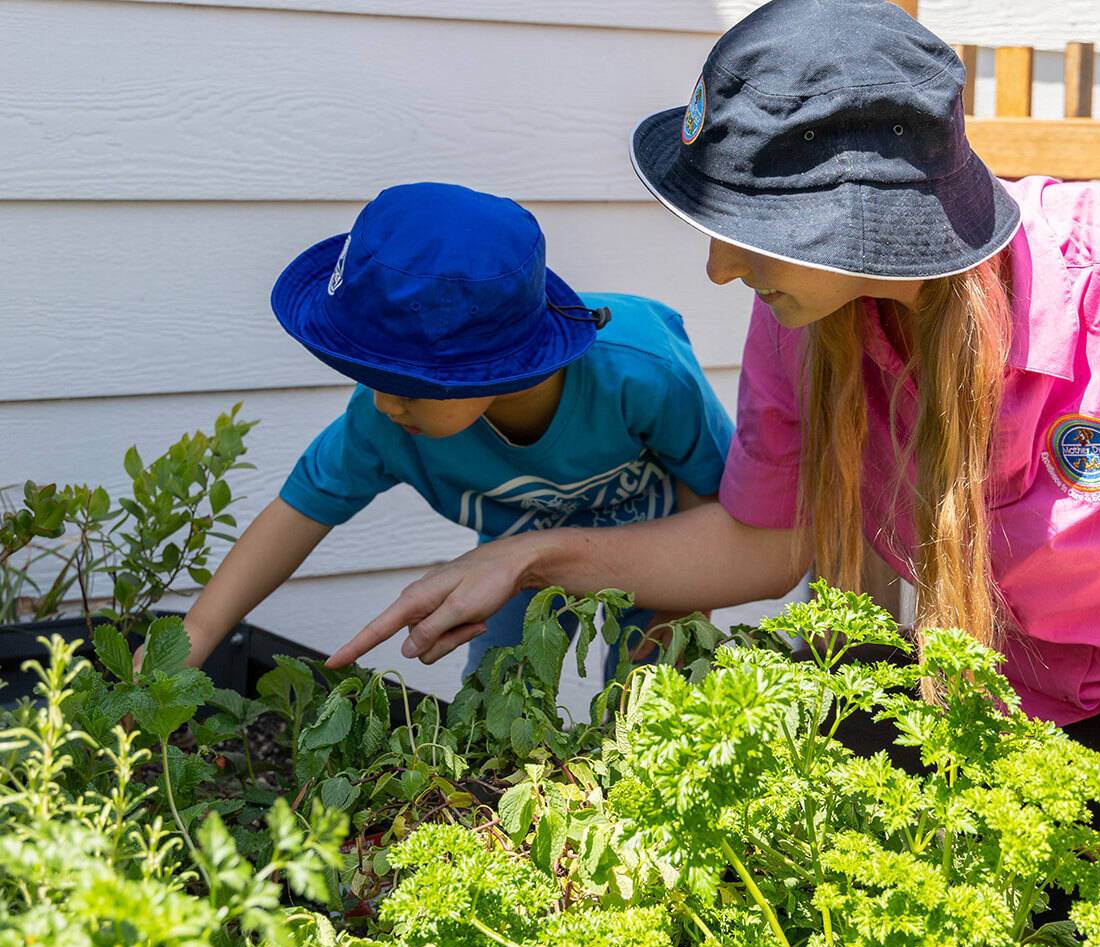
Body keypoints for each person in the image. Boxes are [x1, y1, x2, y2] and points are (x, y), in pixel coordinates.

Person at [324, 4, 1100, 947]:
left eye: (749, 234)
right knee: (764, 802)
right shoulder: (807, 323)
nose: (720, 268)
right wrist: (528, 556)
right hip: (1017, 710)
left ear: (862, 223)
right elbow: (767, 542)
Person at [177, 182, 733, 677]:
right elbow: (297, 513)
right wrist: (194, 639)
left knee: (656, 710)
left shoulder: (639, 373)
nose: (383, 402)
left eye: (409, 385)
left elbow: (708, 489)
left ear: (496, 367)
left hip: (657, 551)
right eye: (370, 376)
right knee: (497, 698)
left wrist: (682, 607)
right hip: (515, 564)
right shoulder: (386, 418)